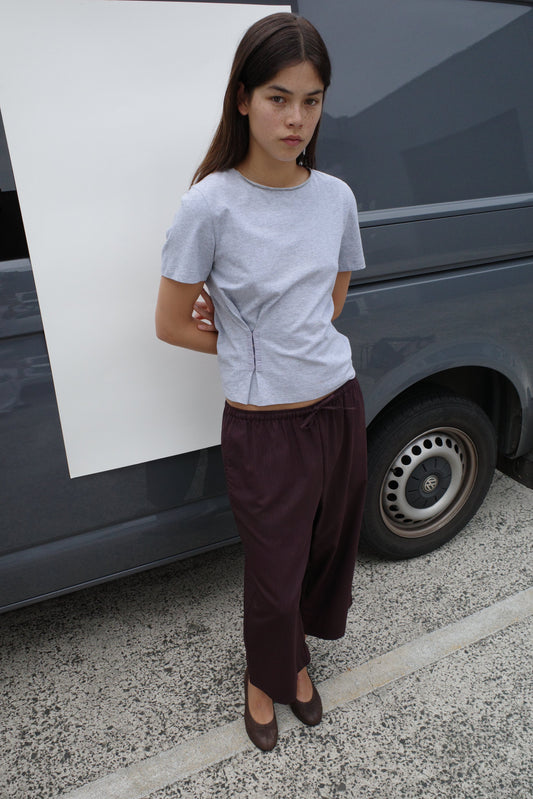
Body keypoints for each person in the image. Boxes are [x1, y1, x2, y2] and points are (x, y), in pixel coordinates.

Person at [155, 12, 367, 752]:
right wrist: (243, 339)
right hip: (263, 423)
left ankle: (294, 660)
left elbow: (331, 298)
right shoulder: (209, 204)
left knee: (325, 553)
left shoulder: (334, 197)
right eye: (279, 97)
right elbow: (171, 323)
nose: (296, 118)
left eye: (311, 101)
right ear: (242, 98)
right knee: (273, 573)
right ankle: (263, 677)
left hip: (337, 404)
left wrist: (286, 333)